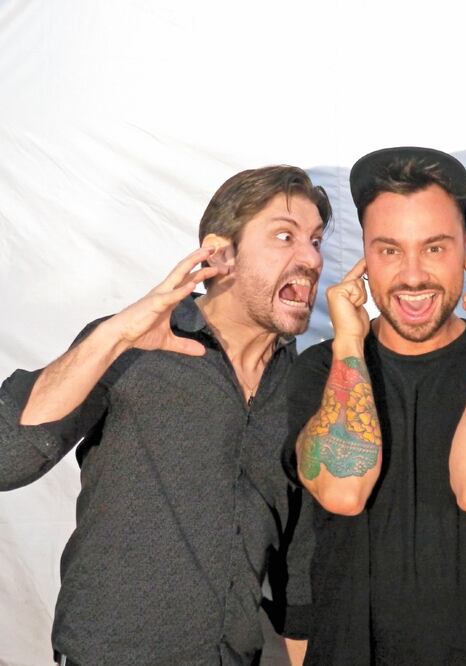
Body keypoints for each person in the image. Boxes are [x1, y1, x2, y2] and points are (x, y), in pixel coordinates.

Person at [0, 165, 331, 665]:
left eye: (315, 240)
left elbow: (298, 567)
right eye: (285, 236)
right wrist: (113, 337)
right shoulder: (134, 345)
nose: (309, 258)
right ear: (219, 255)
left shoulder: (303, 386)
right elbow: (8, 458)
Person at [283, 147, 466, 664]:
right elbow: (342, 491)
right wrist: (348, 344)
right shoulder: (323, 367)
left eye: (434, 248)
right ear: (362, 254)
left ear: (465, 246)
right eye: (388, 250)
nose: (411, 276)